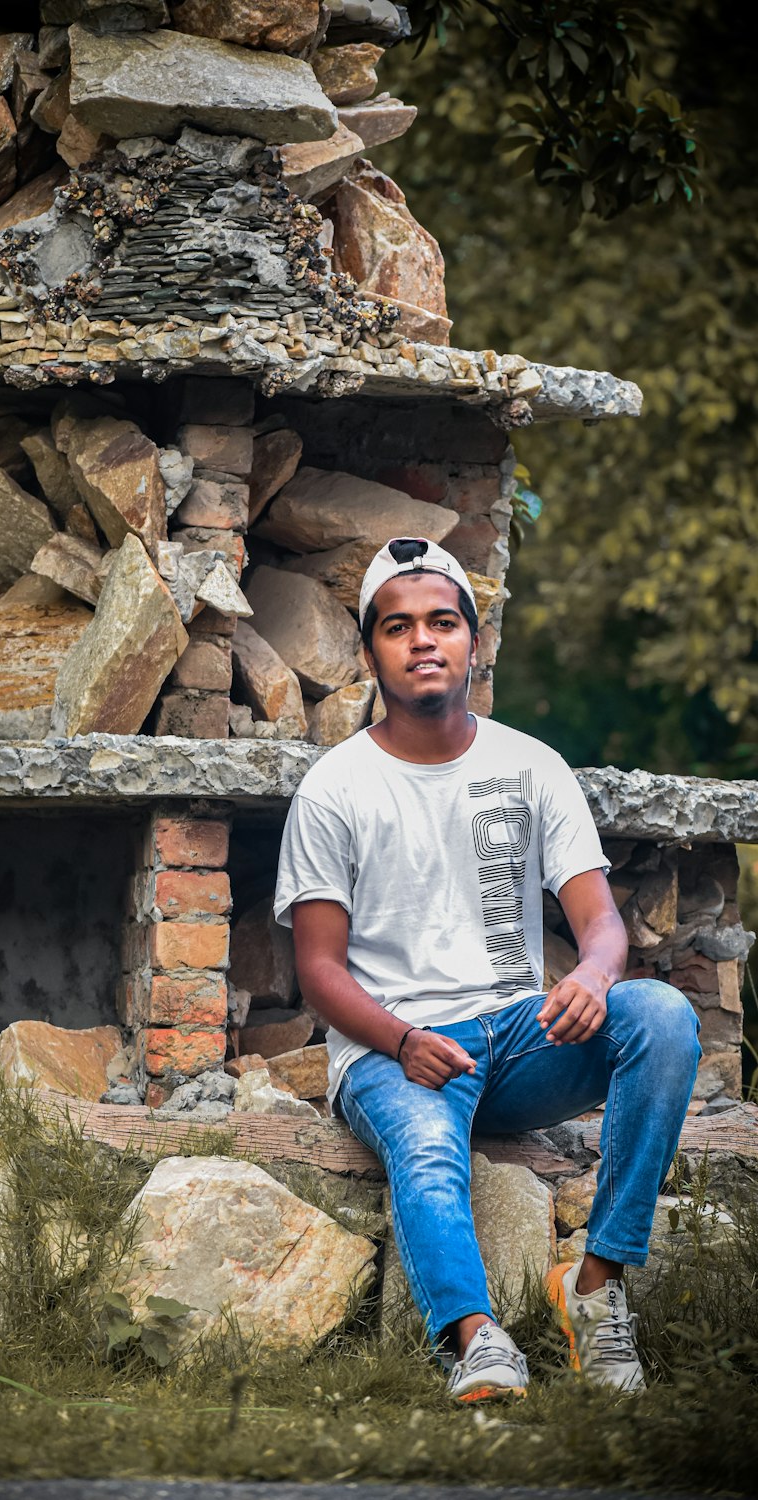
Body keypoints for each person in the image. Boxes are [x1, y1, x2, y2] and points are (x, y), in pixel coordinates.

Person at [273, 536, 701, 1402]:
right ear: (370, 653)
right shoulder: (335, 787)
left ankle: (597, 1289)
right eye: (398, 628)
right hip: (394, 1050)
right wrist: (399, 1039)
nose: (423, 641)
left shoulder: (530, 765)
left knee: (663, 1017)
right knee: (429, 1147)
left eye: (442, 622)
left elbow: (602, 926)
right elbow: (318, 970)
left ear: (475, 641)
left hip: (516, 1038)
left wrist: (591, 977)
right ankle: (477, 1342)